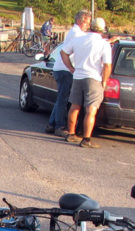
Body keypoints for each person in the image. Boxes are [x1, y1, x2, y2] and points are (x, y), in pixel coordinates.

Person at [60, 16, 111, 149]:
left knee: (74, 106)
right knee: (91, 110)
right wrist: (104, 81)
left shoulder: (79, 39)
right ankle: (86, 139)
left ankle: (71, 133)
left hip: (78, 76)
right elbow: (107, 66)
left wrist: (70, 67)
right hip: (93, 78)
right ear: (102, 30)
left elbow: (63, 52)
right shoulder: (104, 44)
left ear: (91, 27)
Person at [45, 10, 90, 136]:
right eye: (86, 23)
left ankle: (51, 123)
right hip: (65, 69)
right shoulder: (76, 33)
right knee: (63, 99)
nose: (88, 26)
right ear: (80, 21)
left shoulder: (75, 32)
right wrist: (70, 67)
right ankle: (60, 126)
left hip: (62, 68)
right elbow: (87, 44)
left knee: (61, 98)